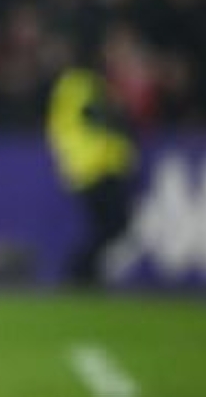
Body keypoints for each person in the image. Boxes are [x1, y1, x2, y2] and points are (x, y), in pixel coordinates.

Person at [46, 43, 136, 287]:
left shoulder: (79, 83)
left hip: (93, 166)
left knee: (109, 225)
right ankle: (79, 271)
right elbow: (94, 114)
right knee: (113, 224)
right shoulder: (81, 82)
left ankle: (86, 273)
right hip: (94, 167)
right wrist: (117, 108)